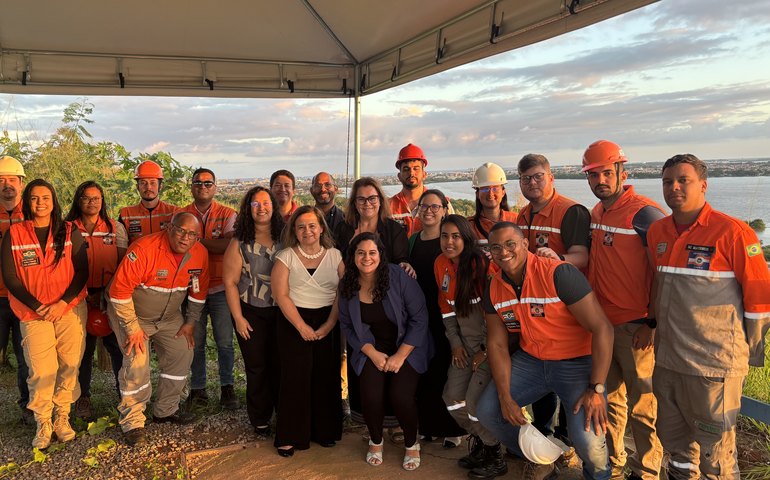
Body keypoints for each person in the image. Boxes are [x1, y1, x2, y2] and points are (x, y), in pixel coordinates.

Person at [647, 154, 770, 480]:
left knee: (716, 455)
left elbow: (760, 299)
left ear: (703, 185)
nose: (673, 187)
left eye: (682, 180)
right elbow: (658, 288)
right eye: (667, 181)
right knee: (676, 446)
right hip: (669, 363)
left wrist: (747, 353)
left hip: (713, 367)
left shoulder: (734, 233)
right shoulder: (658, 232)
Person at [476, 222, 614, 480]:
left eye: (510, 244)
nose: (503, 252)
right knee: (488, 411)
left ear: (525, 244)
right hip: (532, 361)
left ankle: (599, 475)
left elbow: (602, 328)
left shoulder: (558, 274)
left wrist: (596, 388)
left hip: (576, 362)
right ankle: (543, 457)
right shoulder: (494, 286)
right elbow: (496, 344)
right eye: (495, 247)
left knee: (587, 439)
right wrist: (506, 397)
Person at [581, 140, 665, 480]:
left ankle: (646, 471)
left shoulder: (644, 212)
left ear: (621, 172)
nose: (600, 180)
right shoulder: (597, 212)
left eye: (605, 173)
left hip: (635, 327)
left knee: (644, 406)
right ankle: (614, 465)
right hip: (602, 326)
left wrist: (653, 322)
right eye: (593, 175)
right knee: (609, 402)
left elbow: (662, 270)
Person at [107, 212, 209, 446]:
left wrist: (190, 322)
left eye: (192, 234)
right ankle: (133, 421)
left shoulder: (200, 254)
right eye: (181, 230)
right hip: (133, 314)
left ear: (197, 237)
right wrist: (132, 328)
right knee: (137, 360)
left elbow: (198, 292)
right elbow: (119, 292)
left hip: (169, 317)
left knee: (182, 351)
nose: (185, 238)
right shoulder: (144, 248)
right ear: (170, 228)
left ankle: (165, 410)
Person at [1, 179, 89, 449]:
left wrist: (62, 303)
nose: (40, 203)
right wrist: (37, 305)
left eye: (45, 198)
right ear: (27, 202)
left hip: (69, 309)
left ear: (54, 201)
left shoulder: (70, 231)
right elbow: (10, 277)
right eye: (35, 198)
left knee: (69, 363)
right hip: (32, 312)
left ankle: (62, 416)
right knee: (41, 368)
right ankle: (43, 420)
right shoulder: (14, 234)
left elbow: (82, 271)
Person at [338, 232, 432, 470]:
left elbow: (419, 318)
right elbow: (347, 325)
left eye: (372, 252)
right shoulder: (348, 283)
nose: (366, 258)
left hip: (408, 346)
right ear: (353, 256)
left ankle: (412, 443)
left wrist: (400, 356)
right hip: (371, 348)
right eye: (360, 253)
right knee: (370, 396)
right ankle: (375, 439)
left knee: (400, 395)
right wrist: (370, 351)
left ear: (380, 254)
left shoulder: (398, 277)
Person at [516, 153, 591, 444]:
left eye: (538, 176)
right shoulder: (523, 215)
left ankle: (568, 441)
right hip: (533, 309)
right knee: (540, 375)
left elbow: (582, 257)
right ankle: (543, 438)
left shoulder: (571, 211)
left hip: (565, 310)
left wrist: (557, 258)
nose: (532, 183)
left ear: (551, 178)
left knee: (568, 382)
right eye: (526, 178)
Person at [334, 176, 414, 439]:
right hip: (356, 306)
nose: (367, 203)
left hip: (388, 310)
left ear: (380, 201)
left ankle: (397, 422)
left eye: (372, 198)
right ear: (354, 203)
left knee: (392, 363)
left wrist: (406, 267)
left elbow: (402, 263)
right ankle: (370, 420)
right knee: (363, 359)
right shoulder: (344, 230)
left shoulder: (393, 230)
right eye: (361, 198)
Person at [435, 215, 506, 478]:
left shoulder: (482, 266)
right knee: (452, 398)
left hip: (489, 346)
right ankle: (484, 443)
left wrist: (485, 351)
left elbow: (497, 312)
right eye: (444, 236)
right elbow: (446, 311)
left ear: (466, 239)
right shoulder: (440, 264)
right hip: (463, 345)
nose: (449, 241)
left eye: (455, 236)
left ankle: (495, 453)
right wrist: (455, 344)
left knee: (476, 404)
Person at [271, 206, 343, 457]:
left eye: (312, 225)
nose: (307, 231)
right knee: (295, 379)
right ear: (294, 231)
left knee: (326, 376)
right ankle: (290, 436)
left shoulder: (335, 256)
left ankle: (325, 431)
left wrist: (329, 325)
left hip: (328, 320)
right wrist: (301, 326)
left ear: (321, 228)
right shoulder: (285, 257)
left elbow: (342, 294)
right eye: (301, 226)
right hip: (293, 321)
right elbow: (280, 295)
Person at [223, 186, 283, 439]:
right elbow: (230, 282)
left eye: (266, 202)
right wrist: (238, 318)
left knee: (281, 365)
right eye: (255, 204)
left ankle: (284, 412)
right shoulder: (239, 242)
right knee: (257, 366)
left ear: (274, 206)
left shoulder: (287, 237)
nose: (261, 208)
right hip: (251, 312)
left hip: (283, 312)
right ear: (248, 209)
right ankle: (260, 418)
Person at [65, 181, 128, 419]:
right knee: (83, 351)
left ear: (102, 201)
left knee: (117, 347)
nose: (92, 202)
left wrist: (106, 293)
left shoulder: (115, 227)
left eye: (96, 198)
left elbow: (123, 265)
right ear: (78, 200)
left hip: (109, 295)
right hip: (78, 296)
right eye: (86, 198)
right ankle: (83, 398)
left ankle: (124, 393)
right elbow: (62, 265)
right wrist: (82, 294)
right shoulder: (68, 228)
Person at [408, 190, 465, 447]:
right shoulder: (412, 241)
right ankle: (427, 425)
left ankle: (453, 429)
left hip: (448, 316)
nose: (429, 211)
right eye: (424, 206)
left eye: (435, 206)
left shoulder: (452, 242)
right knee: (424, 371)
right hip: (420, 317)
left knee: (448, 370)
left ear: (444, 209)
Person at [182, 168, 239, 410]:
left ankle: (227, 387)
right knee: (195, 342)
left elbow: (229, 245)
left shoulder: (228, 214)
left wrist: (196, 242)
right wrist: (209, 245)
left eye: (208, 183)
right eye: (198, 182)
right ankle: (198, 389)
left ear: (215, 187)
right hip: (191, 290)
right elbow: (176, 245)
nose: (203, 187)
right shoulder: (181, 214)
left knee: (225, 342)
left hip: (220, 288)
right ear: (192, 186)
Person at [0, 155, 32, 424]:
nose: (6, 185)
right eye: (1, 180)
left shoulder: (34, 213)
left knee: (26, 356)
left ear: (22, 183)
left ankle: (28, 406)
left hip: (24, 297)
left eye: (11, 179)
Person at [118, 160, 178, 244]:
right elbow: (122, 246)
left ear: (160, 186)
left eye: (153, 183)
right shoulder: (126, 214)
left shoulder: (174, 212)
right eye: (143, 183)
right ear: (137, 187)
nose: (148, 187)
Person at [467, 163, 518, 248]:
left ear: (503, 192)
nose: (490, 193)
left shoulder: (517, 220)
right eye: (485, 188)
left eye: (495, 188)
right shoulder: (469, 226)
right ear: (477, 194)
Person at [389, 143, 429, 237]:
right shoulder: (388, 207)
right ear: (399, 176)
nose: (411, 173)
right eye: (406, 169)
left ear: (424, 174)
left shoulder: (440, 204)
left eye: (416, 169)